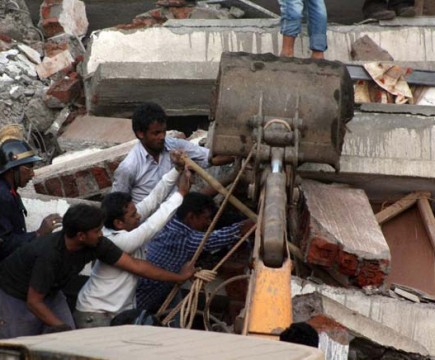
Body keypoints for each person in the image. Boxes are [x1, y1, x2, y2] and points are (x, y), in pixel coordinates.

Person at [0, 204, 195, 339]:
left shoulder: (96, 243)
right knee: (20, 345)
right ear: (81, 236)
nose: (102, 234)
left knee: (68, 340)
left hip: (51, 290)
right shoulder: (49, 254)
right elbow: (34, 302)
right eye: (97, 231)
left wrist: (179, 277)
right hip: (15, 294)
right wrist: (62, 327)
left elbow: (136, 266)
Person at [74, 166, 191, 328]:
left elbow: (152, 200)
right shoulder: (119, 241)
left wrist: (175, 170)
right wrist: (181, 194)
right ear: (119, 223)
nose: (138, 216)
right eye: (133, 215)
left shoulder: (123, 225)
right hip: (96, 315)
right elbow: (152, 225)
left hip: (111, 313)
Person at [135, 192, 255, 313]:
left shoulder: (168, 219)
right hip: (148, 293)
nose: (209, 223)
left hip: (155, 284)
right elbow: (212, 240)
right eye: (206, 218)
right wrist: (243, 227)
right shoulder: (183, 238)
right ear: (191, 217)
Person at [111, 102, 233, 204]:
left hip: (179, 214)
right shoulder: (128, 167)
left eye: (164, 131)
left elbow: (211, 158)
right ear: (140, 134)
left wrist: (240, 154)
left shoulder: (173, 145)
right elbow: (117, 207)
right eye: (156, 133)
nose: (162, 137)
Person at [0, 125, 62, 261]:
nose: (32, 174)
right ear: (12, 170)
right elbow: (4, 244)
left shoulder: (9, 192)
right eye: (28, 169)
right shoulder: (2, 197)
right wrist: (38, 233)